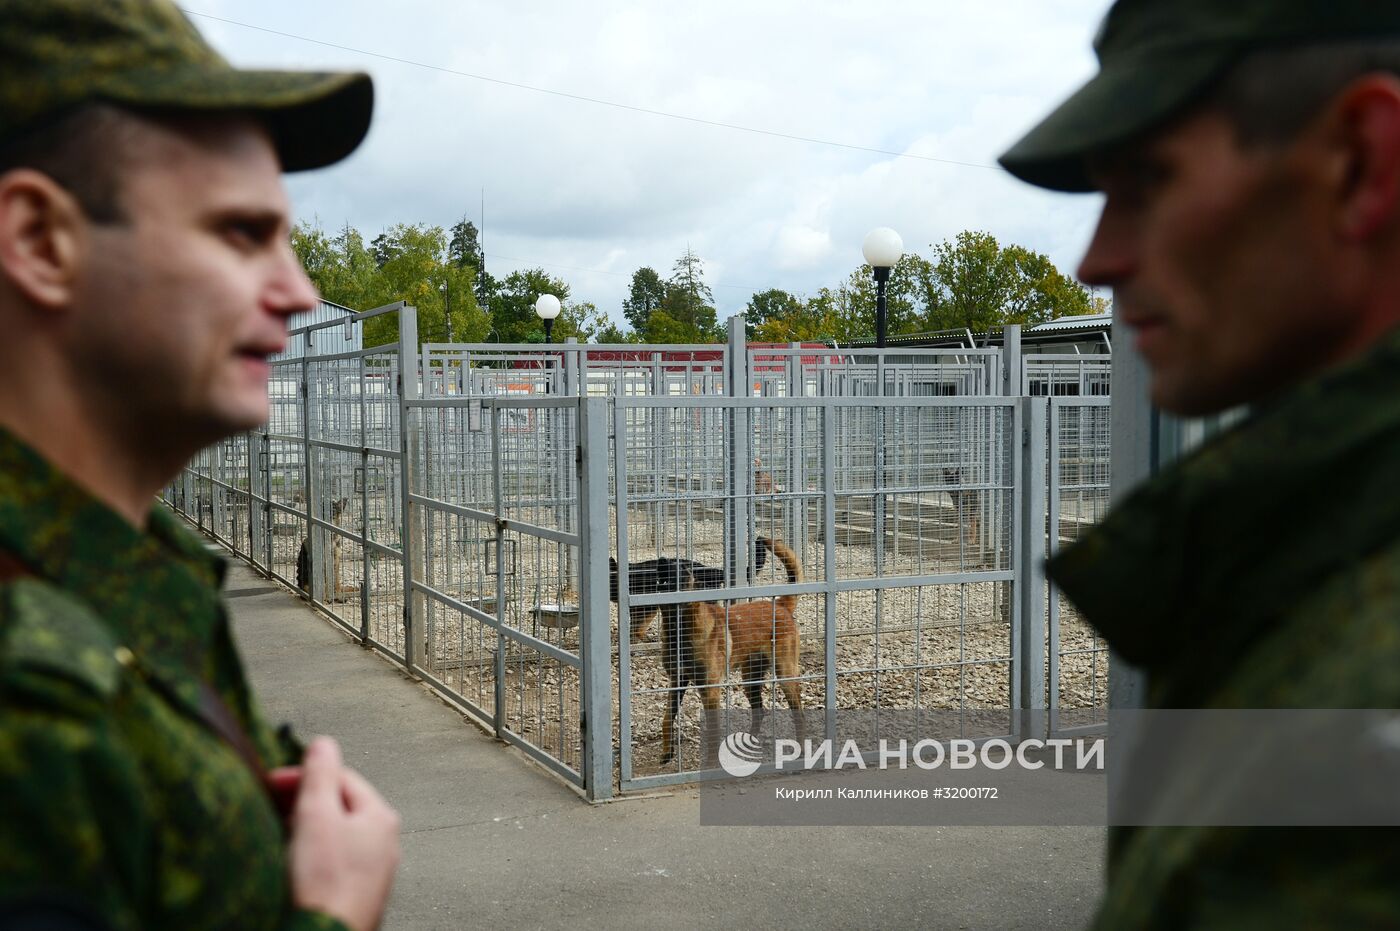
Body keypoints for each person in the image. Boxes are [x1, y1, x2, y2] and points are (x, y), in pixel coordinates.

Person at [0, 2, 400, 929]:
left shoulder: (123, 576)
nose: (298, 291)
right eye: (238, 233)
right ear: (39, 241)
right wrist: (331, 916)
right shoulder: (34, 697)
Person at [1001, 1, 1400, 927]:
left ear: (1363, 162)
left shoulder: (1356, 745)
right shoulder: (1312, 550)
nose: (1097, 259)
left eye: (1147, 179)